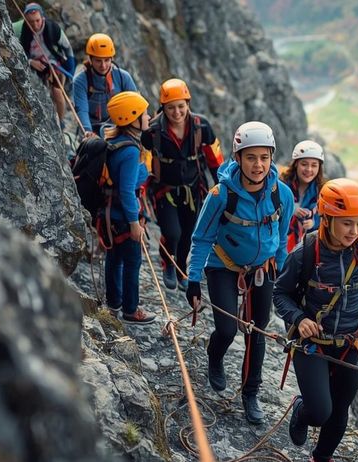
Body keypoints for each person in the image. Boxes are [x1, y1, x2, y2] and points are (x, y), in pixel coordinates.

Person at [184, 121, 295, 425]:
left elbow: (283, 234)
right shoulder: (221, 195)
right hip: (223, 266)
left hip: (263, 269)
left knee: (256, 332)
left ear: (271, 158)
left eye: (264, 157)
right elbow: (202, 237)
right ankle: (215, 356)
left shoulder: (281, 194)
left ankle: (251, 393)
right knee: (227, 329)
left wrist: (282, 272)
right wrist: (193, 279)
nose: (258, 165)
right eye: (250, 157)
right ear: (238, 158)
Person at [272, 178, 358, 462]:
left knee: (339, 411)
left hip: (351, 344)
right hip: (312, 344)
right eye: (346, 223)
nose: (354, 231)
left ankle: (320, 458)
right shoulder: (305, 254)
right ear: (327, 219)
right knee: (320, 411)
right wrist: (299, 319)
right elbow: (280, 293)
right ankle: (301, 411)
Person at [141, 78, 224, 291]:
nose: (177, 112)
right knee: (172, 232)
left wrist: (223, 187)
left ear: (188, 104)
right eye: (171, 108)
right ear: (163, 108)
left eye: (181, 106)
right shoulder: (152, 132)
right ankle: (168, 262)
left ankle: (181, 269)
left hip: (194, 188)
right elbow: (142, 161)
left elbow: (215, 159)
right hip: (164, 189)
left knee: (189, 233)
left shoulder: (201, 126)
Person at [103, 91, 157, 325]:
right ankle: (130, 309)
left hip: (110, 214)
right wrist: (135, 224)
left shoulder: (114, 142)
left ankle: (114, 302)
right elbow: (126, 191)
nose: (148, 116)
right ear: (132, 118)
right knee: (132, 261)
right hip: (123, 216)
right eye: (144, 113)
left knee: (114, 258)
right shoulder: (131, 150)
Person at [18, 2, 75, 126]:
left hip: (53, 63)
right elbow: (21, 51)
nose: (35, 24)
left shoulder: (52, 28)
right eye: (31, 21)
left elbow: (68, 49)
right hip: (34, 63)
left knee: (57, 90)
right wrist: (31, 62)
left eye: (37, 20)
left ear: (42, 17)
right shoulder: (26, 30)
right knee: (39, 92)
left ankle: (60, 121)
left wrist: (71, 72)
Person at [72, 33, 138, 138]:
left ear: (112, 58)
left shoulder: (123, 77)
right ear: (90, 59)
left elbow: (136, 104)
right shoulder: (80, 80)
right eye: (98, 61)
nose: (103, 66)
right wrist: (87, 131)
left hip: (118, 126)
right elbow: (82, 109)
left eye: (107, 60)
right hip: (92, 127)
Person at [279, 140, 325, 252]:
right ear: (296, 165)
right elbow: (271, 208)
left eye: (314, 165)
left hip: (309, 247)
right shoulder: (282, 185)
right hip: (281, 242)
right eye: (304, 164)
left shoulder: (323, 191)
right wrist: (292, 209)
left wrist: (314, 222)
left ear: (319, 168)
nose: (309, 169)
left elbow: (328, 219)